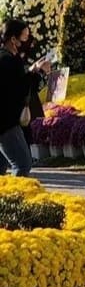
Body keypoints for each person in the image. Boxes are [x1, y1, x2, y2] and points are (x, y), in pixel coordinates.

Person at [1, 19, 50, 177]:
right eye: (25, 37)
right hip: (6, 122)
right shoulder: (7, 60)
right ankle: (18, 198)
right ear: (13, 39)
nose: (28, 41)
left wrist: (32, 71)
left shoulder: (9, 58)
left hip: (7, 120)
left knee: (2, 167)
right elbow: (19, 88)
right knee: (22, 164)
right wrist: (39, 73)